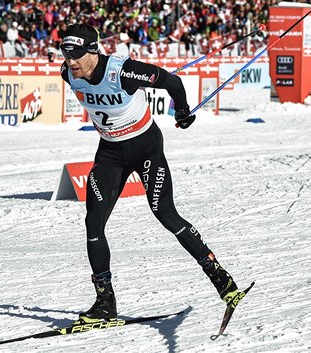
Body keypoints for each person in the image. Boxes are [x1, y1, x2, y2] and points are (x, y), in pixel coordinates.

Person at [59, 23, 244, 324]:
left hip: (146, 148)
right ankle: (105, 303)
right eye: (67, 56)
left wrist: (182, 111)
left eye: (77, 55)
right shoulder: (69, 75)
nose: (71, 63)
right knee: (93, 222)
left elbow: (172, 81)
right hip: (110, 153)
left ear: (94, 50)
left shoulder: (124, 71)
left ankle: (220, 277)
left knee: (165, 213)